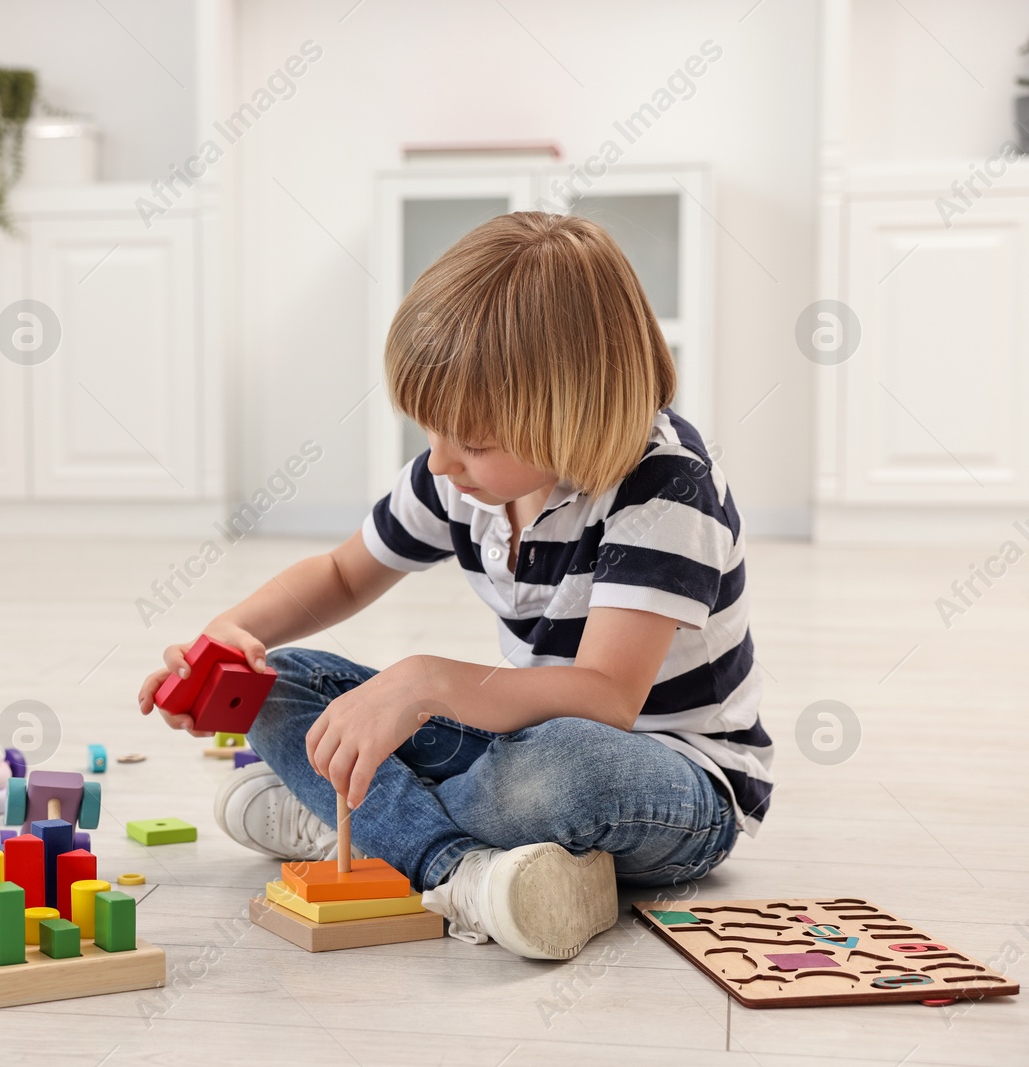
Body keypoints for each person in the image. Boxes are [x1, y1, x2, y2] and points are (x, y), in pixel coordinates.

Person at [139, 212, 771, 960]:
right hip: (519, 733)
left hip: (669, 777)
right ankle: (457, 867)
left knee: (558, 769)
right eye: (429, 432)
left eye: (471, 441)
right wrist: (231, 638)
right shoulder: (462, 479)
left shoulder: (668, 483)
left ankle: (361, 819)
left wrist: (425, 682)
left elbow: (608, 695)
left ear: (573, 416)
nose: (439, 463)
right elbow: (343, 573)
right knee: (274, 681)